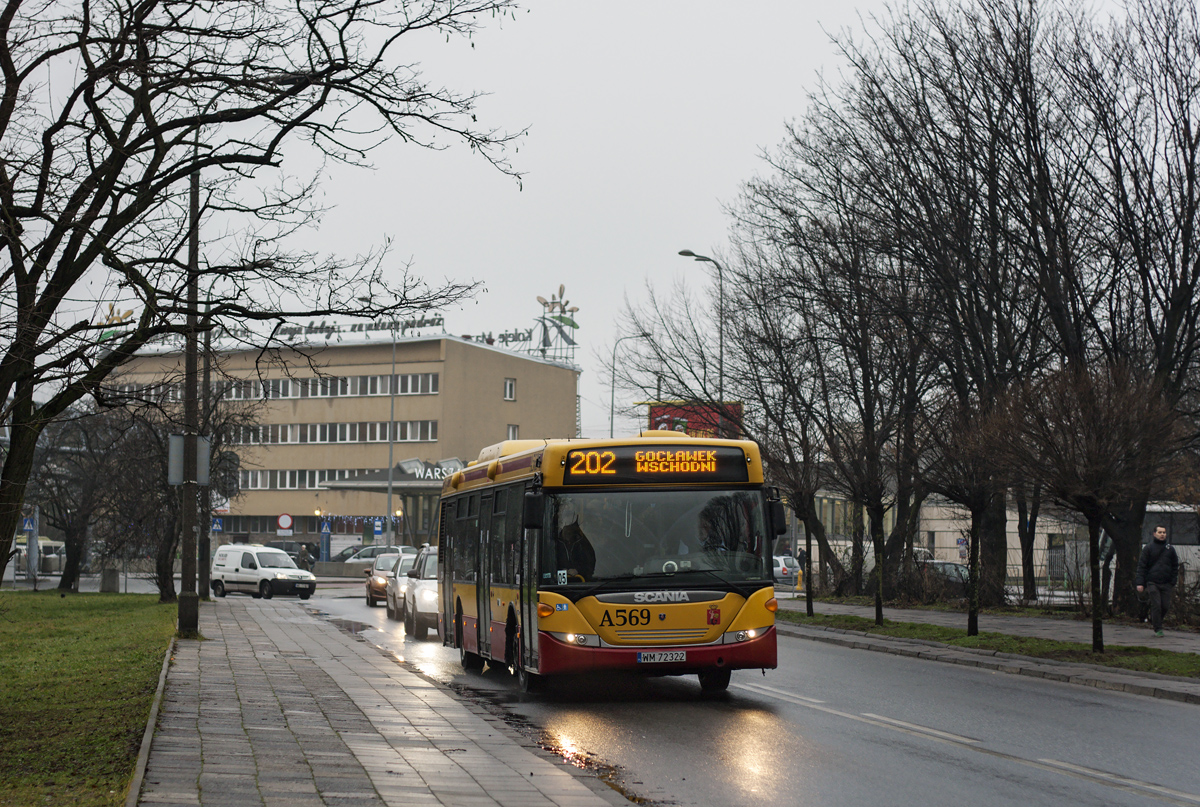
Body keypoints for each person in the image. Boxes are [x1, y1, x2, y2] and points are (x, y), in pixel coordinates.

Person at [1135, 524, 1179, 637]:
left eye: (1164, 532)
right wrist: (1140, 583)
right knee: (1156, 605)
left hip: (1166, 583)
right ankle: (1158, 628)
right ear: (1154, 534)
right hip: (1152, 582)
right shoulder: (1148, 548)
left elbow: (1175, 566)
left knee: (1165, 606)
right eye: (1160, 532)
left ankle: (1155, 619)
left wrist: (1173, 580)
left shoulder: (1170, 549)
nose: (1162, 534)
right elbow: (1142, 566)